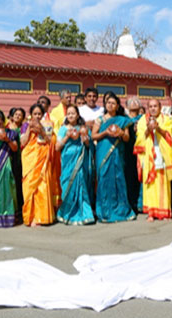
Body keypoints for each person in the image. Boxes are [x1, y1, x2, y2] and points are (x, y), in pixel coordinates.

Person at [92, 92, 136, 222]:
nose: (110, 105)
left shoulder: (123, 120)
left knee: (118, 179)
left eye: (113, 103)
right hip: (103, 151)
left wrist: (121, 132)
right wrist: (106, 132)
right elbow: (94, 136)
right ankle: (105, 211)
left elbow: (127, 138)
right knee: (104, 178)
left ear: (117, 106)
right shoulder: (100, 120)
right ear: (105, 105)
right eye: (108, 103)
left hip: (117, 152)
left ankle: (120, 210)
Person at [134, 98, 172, 221]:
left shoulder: (165, 119)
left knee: (163, 184)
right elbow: (140, 138)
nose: (153, 108)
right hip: (149, 156)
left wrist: (157, 128)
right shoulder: (142, 120)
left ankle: (164, 212)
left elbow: (168, 136)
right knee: (150, 185)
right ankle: (151, 213)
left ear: (160, 107)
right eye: (150, 106)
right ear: (148, 108)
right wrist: (148, 129)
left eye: (155, 106)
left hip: (162, 154)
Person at [55, 104, 95, 225]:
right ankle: (66, 213)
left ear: (78, 115)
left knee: (81, 187)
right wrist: (67, 137)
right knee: (67, 186)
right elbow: (57, 147)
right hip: (68, 162)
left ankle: (85, 214)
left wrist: (85, 138)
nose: (71, 115)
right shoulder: (63, 129)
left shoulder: (83, 128)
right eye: (69, 113)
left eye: (73, 113)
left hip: (80, 161)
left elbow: (89, 145)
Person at [20, 104, 56, 226]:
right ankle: (30, 217)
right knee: (29, 186)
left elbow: (50, 141)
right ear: (31, 114)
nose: (37, 116)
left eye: (39, 114)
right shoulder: (25, 125)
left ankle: (41, 217)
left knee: (42, 186)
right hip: (29, 159)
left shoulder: (47, 125)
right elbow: (23, 142)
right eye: (34, 114)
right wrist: (29, 129)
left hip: (42, 158)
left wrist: (41, 130)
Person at [123, 96, 143, 213]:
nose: (134, 103)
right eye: (132, 102)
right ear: (127, 106)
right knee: (128, 177)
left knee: (139, 176)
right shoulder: (124, 119)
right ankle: (130, 203)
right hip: (127, 150)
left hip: (141, 150)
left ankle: (139, 203)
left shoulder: (143, 119)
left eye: (137, 101)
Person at [7, 107, 26, 208]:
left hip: (21, 157)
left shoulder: (24, 128)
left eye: (20, 115)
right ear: (12, 116)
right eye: (16, 114)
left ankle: (20, 207)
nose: (18, 116)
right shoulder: (7, 127)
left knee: (19, 182)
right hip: (9, 157)